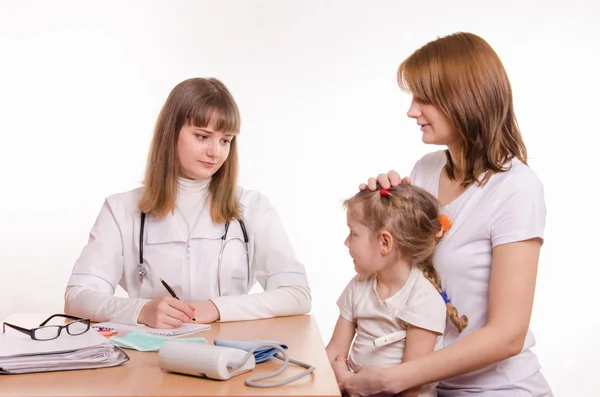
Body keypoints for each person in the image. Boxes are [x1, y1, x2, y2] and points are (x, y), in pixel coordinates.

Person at [341, 32, 553, 396]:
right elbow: (402, 276)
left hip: (498, 389)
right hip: (427, 388)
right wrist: (379, 215)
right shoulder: (424, 170)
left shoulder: (516, 189)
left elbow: (508, 335)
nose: (412, 111)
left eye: (424, 99)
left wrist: (396, 378)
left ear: (464, 100)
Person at [64, 77, 311, 328]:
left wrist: (217, 308)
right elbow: (77, 297)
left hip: (230, 354)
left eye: (225, 140)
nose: (215, 152)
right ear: (171, 133)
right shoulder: (120, 210)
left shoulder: (253, 207)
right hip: (149, 357)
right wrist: (141, 311)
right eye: (203, 136)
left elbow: (297, 294)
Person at [326, 184, 468, 397]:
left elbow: (409, 388)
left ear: (385, 242)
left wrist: (345, 379)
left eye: (353, 234)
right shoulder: (359, 285)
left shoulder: (423, 300)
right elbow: (334, 353)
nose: (346, 242)